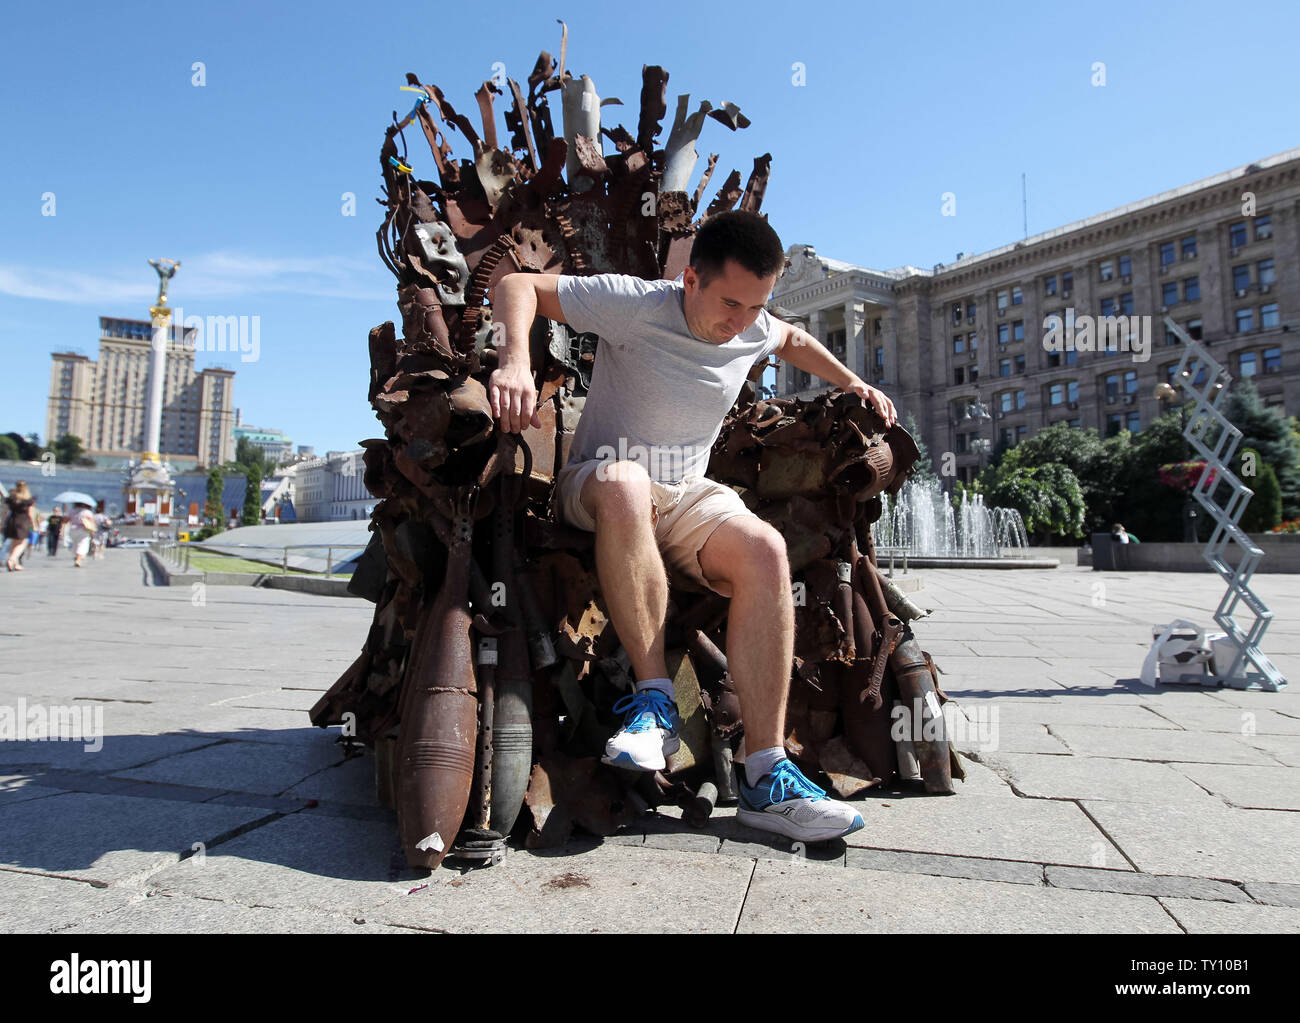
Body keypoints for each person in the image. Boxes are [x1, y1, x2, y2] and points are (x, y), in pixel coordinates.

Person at [489, 210, 897, 844]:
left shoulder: (754, 322)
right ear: (690, 280)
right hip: (600, 481)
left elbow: (789, 340)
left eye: (755, 305)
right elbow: (518, 286)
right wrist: (515, 360)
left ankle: (766, 773)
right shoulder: (635, 304)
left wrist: (854, 381)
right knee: (625, 482)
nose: (741, 322)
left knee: (765, 547)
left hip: (685, 494)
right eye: (730, 303)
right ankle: (655, 705)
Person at [3, 481, 38, 572]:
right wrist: (34, 525)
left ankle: (16, 563)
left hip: (12, 521)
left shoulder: (12, 498)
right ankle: (12, 559)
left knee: (14, 542)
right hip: (23, 522)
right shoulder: (27, 499)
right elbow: (30, 513)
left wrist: (2, 524)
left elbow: (5, 512)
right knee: (23, 542)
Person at [66, 502, 97, 568]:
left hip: (73, 530)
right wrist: (93, 532)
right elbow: (92, 522)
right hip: (83, 530)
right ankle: (78, 559)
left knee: (75, 543)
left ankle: (77, 556)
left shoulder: (71, 511)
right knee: (83, 544)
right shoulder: (87, 512)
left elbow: (66, 520)